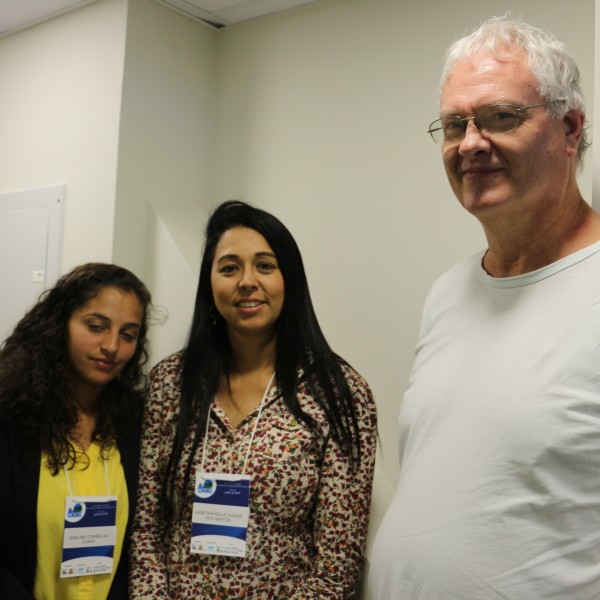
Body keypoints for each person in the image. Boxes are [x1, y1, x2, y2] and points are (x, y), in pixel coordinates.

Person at [370, 15, 600, 600]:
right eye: (454, 125)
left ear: (570, 128)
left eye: (500, 117)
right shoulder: (449, 293)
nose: (470, 143)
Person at [130, 200, 377, 598]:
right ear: (210, 285)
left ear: (289, 280)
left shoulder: (338, 393)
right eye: (229, 268)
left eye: (265, 265)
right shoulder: (171, 383)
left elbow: (337, 565)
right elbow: (147, 531)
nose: (247, 281)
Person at [0, 263, 153, 600]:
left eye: (128, 334)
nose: (112, 346)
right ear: (59, 325)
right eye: (96, 326)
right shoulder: (8, 417)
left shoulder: (137, 424)